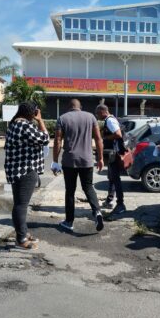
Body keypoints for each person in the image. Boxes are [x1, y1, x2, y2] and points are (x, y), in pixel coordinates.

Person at [52, 99, 104, 232]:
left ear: (69, 107)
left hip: (69, 161)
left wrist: (55, 161)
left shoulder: (62, 118)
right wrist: (100, 158)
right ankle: (97, 212)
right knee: (88, 187)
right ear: (80, 107)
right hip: (87, 160)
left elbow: (58, 140)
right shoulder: (91, 117)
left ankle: (69, 222)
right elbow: (98, 139)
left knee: (70, 191)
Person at [4, 101, 49, 249]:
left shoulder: (14, 125)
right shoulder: (24, 125)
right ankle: (21, 239)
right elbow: (45, 139)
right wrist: (40, 120)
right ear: (32, 112)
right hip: (25, 170)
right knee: (21, 205)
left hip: (16, 170)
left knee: (20, 204)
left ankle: (22, 232)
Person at [96, 104, 126, 214]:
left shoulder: (110, 121)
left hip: (114, 154)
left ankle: (121, 204)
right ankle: (109, 200)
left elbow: (118, 134)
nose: (97, 116)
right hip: (112, 154)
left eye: (98, 113)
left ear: (103, 112)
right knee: (112, 178)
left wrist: (104, 138)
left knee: (115, 179)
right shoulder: (110, 120)